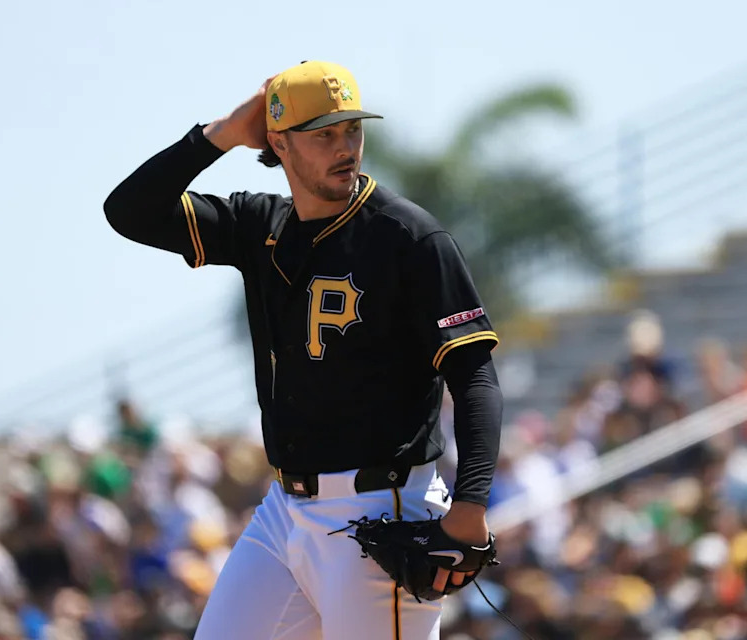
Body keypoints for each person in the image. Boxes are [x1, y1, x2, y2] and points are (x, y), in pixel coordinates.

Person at [103, 61, 503, 639]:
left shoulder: (408, 238)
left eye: (352, 130)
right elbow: (129, 212)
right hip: (285, 510)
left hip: (383, 507)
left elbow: (476, 378)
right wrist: (220, 135)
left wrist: (471, 505)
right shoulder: (259, 226)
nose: (345, 148)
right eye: (323, 135)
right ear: (279, 144)